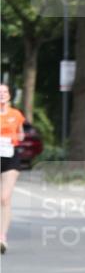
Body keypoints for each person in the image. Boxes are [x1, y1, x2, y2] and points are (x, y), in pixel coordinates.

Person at [0, 83, 25, 254]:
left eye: (5, 92)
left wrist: (16, 137)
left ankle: (2, 237)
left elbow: (21, 134)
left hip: (10, 157)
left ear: (10, 95)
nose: (2, 94)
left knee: (4, 198)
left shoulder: (16, 114)